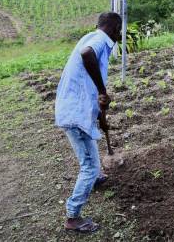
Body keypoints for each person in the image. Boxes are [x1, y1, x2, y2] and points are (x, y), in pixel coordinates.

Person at [55, 12, 122, 233]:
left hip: (77, 109)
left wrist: (101, 120)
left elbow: (90, 88)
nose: (119, 35)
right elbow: (87, 55)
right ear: (114, 30)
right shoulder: (100, 41)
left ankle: (95, 180)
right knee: (90, 165)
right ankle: (73, 217)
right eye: (119, 31)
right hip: (75, 114)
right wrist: (103, 90)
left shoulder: (89, 36)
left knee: (90, 157)